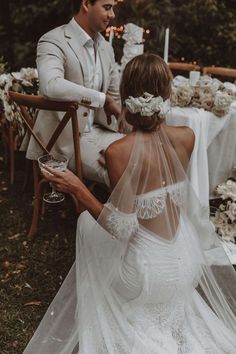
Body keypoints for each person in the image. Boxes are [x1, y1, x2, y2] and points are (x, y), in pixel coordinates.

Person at [23, 54, 236, 354]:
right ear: (166, 94)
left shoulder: (117, 151)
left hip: (147, 276)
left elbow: (121, 228)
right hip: (187, 262)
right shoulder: (188, 136)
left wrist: (78, 188)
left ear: (126, 97)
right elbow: (159, 180)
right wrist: (123, 164)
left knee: (86, 223)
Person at [26, 0, 124, 185]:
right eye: (107, 7)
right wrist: (102, 99)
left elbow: (115, 97)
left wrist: (131, 130)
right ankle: (104, 213)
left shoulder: (106, 48)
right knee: (121, 171)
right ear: (86, 4)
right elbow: (51, 85)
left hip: (100, 131)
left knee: (146, 156)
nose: (112, 15)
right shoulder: (53, 40)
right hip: (64, 142)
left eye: (113, 8)